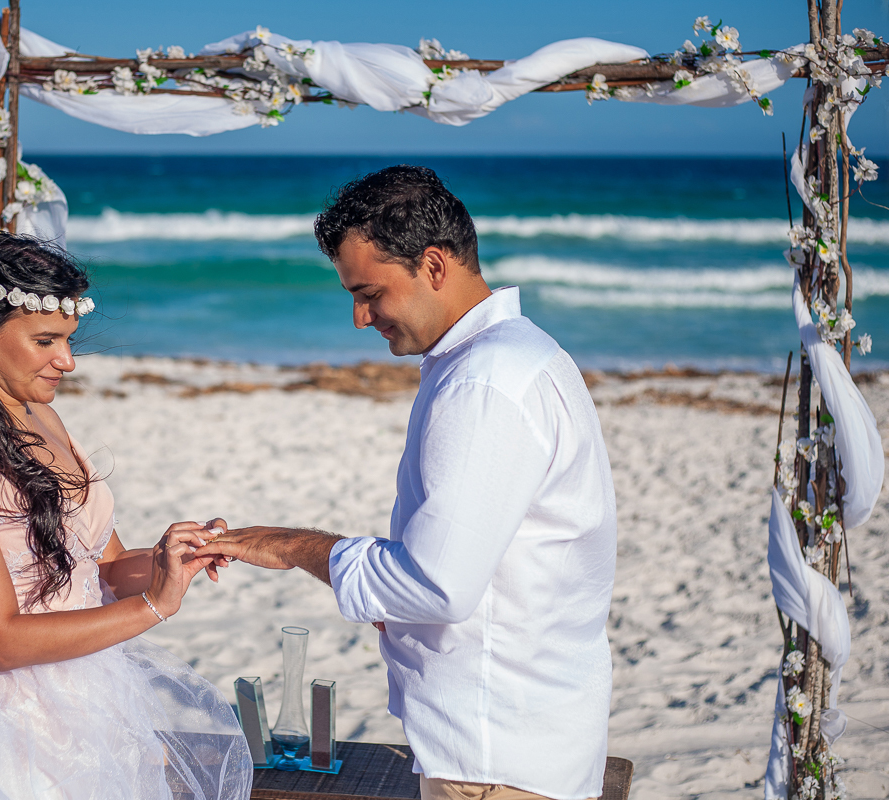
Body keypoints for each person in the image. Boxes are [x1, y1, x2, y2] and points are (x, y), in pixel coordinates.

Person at [198, 166, 616, 800]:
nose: (361, 319)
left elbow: (436, 586)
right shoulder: (515, 356)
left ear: (434, 265)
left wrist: (293, 547)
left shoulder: (485, 381)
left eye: (370, 292)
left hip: (493, 760)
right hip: (520, 737)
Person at [0, 231, 251, 800]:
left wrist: (176, 557)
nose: (69, 361)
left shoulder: (39, 414)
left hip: (86, 684)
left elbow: (101, 570)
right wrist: (153, 607)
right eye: (46, 341)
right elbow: (0, 641)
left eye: (69, 339)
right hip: (9, 719)